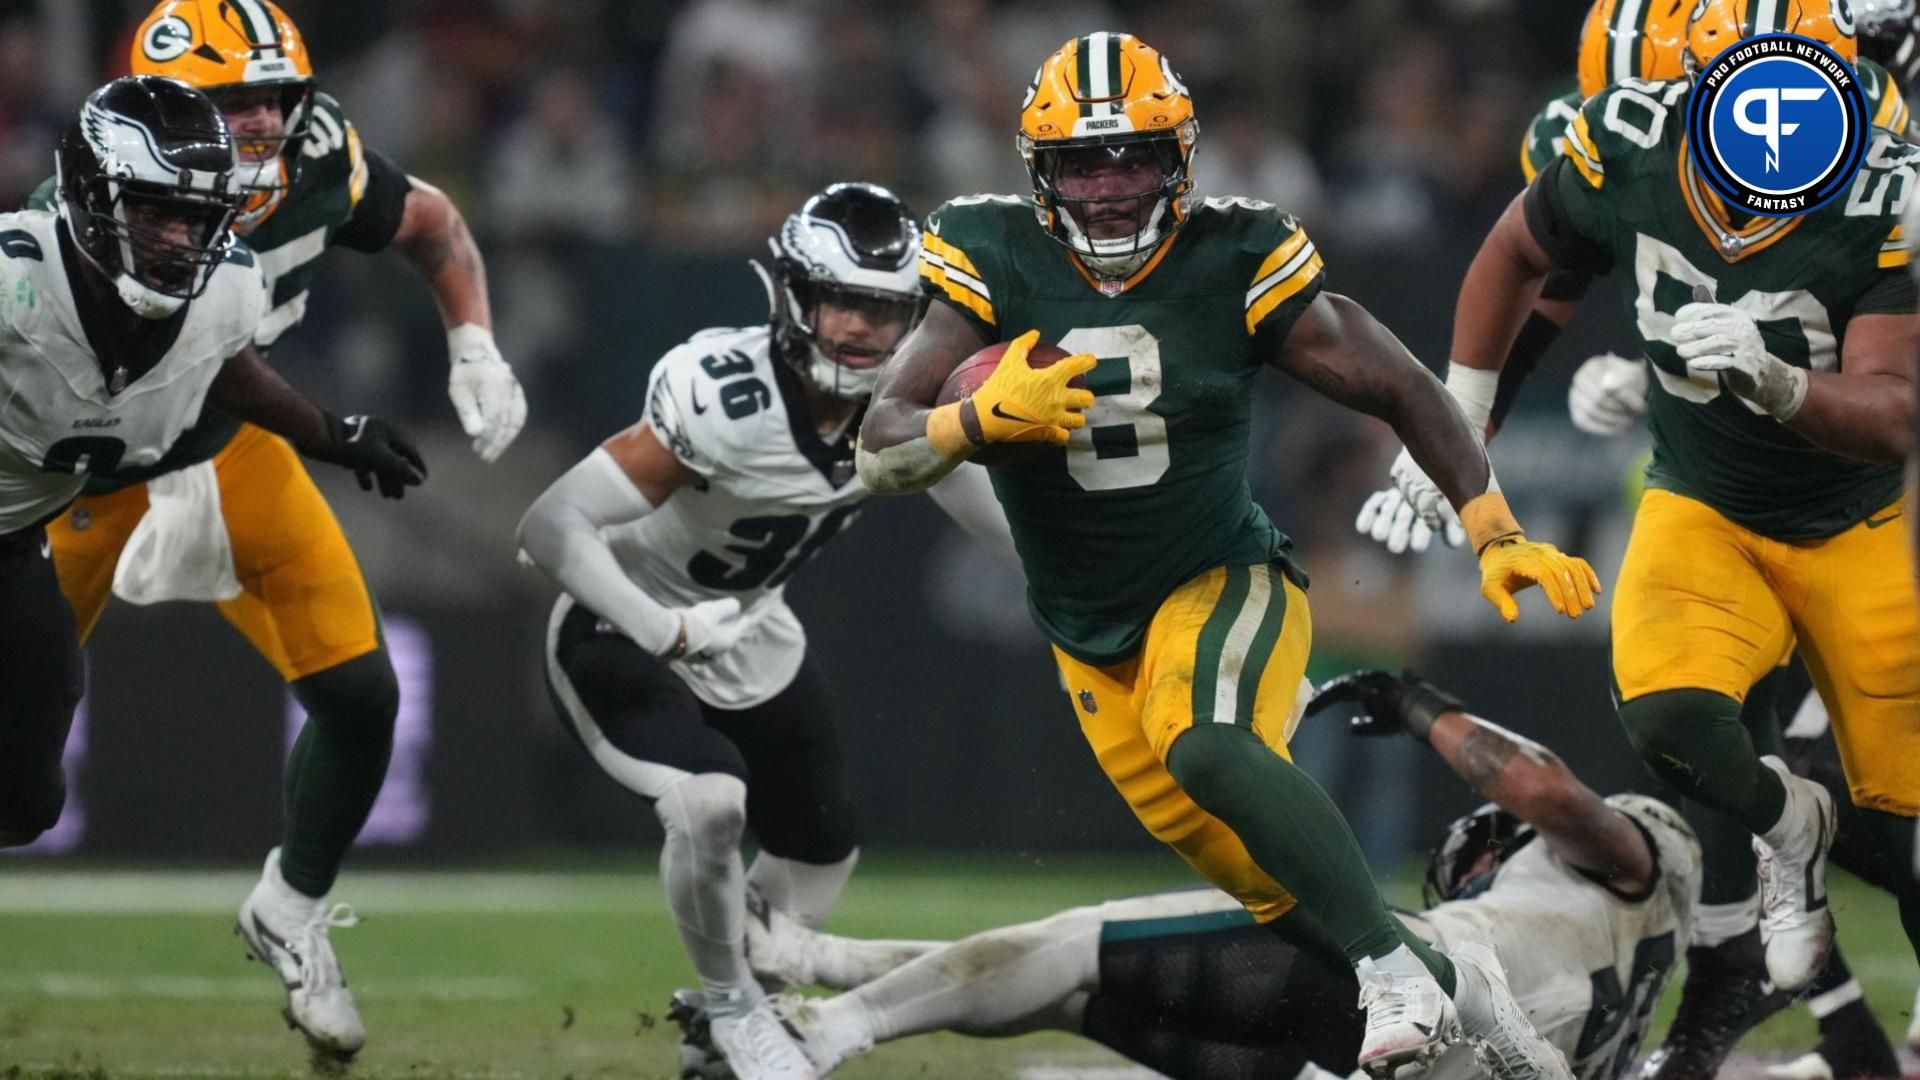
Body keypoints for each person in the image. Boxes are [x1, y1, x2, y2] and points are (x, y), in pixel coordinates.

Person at [855, 30, 1598, 1077]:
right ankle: (1481, 1013)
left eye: (1134, 157)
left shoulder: (1233, 253)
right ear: (1040, 171)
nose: (1110, 187)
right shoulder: (987, 250)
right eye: (1082, 161)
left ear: (1180, 159)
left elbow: (1400, 384)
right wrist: (975, 424)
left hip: (1220, 580)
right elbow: (881, 441)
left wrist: (1492, 526)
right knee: (1286, 895)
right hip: (1087, 634)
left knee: (1204, 740)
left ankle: (1390, 973)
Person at [1397, 0, 1919, 1028]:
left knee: (1897, 823)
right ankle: (1788, 933)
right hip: (1718, 495)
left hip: (1864, 500)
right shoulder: (1637, 137)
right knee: (1694, 718)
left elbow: (1873, 383)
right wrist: (1464, 423)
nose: (1628, 113)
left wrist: (1767, 381)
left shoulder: (1878, 170)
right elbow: (1554, 265)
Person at [21, 2, 521, 1060]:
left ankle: (291, 907)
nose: (255, 123)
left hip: (228, 441)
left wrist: (473, 343)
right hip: (82, 468)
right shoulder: (92, 204)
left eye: (271, 99)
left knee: (361, 693)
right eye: (228, 100)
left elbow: (428, 224)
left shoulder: (314, 156)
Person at [517, 183, 1015, 1080]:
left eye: (884, 308)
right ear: (794, 296)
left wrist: (1113, 590)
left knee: (823, 848)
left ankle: (723, 1019)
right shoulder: (725, 396)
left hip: (751, 629)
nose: (861, 330)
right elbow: (550, 528)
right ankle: (734, 1007)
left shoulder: (900, 409)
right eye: (841, 302)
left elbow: (1006, 529)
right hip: (620, 620)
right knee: (710, 805)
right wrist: (659, 627)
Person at [671, 671, 1698, 1080]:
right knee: (1068, 997)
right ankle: (813, 967)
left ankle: (816, 1032)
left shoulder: (1633, 864)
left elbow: (1555, 799)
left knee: (1075, 950)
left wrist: (1419, 705)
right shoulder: (1630, 988)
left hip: (1407, 989)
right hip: (1396, 1066)